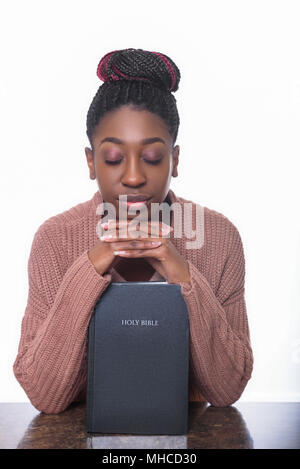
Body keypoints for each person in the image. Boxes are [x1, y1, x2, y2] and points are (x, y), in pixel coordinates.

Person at [13, 48, 253, 414]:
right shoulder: (55, 238)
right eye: (112, 159)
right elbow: (45, 397)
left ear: (175, 159)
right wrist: (93, 264)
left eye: (153, 158)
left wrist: (182, 272)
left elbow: (227, 389)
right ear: (91, 163)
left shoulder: (218, 237)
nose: (134, 176)